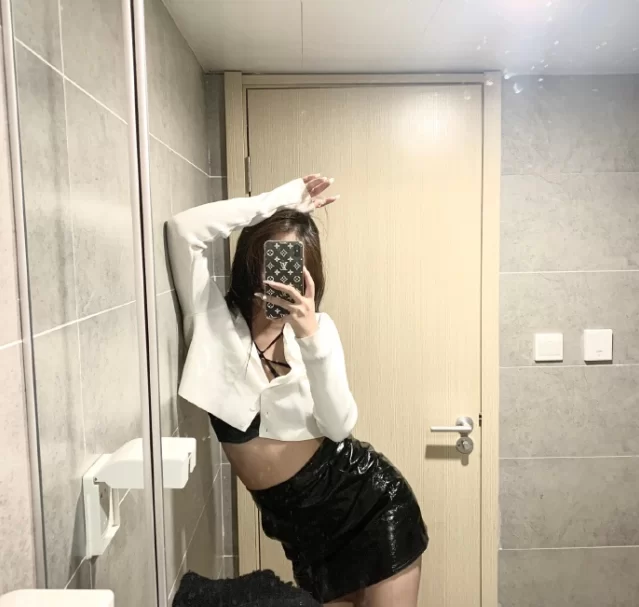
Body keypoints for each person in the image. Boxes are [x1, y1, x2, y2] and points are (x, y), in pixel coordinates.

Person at [167, 175, 428, 607]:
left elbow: (339, 426)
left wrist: (309, 338)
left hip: (371, 506)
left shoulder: (318, 332)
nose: (279, 276)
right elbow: (183, 230)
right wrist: (276, 201)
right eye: (272, 259)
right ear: (252, 260)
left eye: (292, 264)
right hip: (306, 538)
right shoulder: (212, 322)